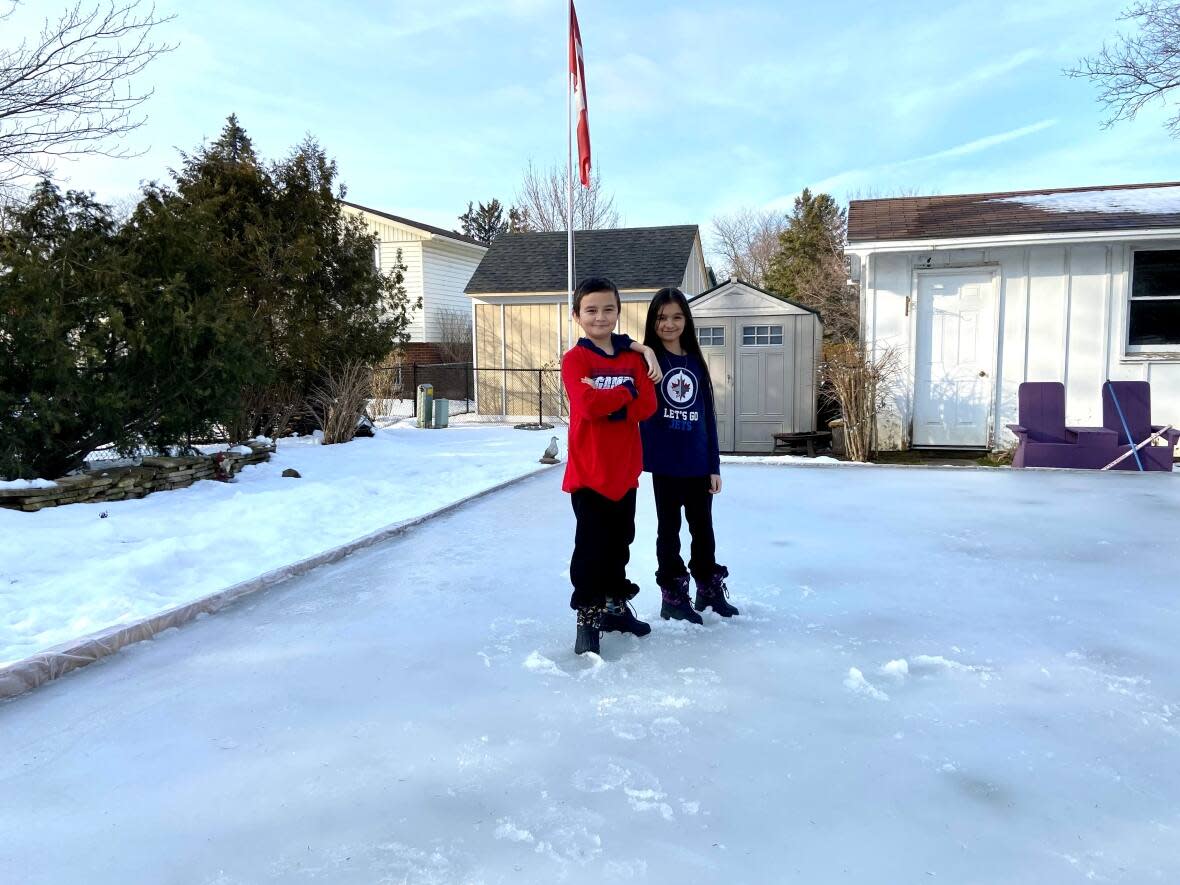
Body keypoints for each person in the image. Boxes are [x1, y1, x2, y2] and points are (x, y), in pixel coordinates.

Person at [561, 277, 658, 655]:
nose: (600, 317)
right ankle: (588, 616)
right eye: (591, 310)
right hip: (589, 472)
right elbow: (586, 406)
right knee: (590, 549)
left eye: (608, 309)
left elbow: (646, 406)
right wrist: (626, 392)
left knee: (620, 544)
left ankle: (614, 608)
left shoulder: (633, 358)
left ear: (618, 312)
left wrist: (609, 398)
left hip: (624, 472)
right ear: (577, 316)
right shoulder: (575, 360)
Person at [640, 287, 739, 624]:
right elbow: (620, 342)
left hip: (698, 463)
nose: (669, 324)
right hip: (665, 464)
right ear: (653, 321)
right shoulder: (647, 360)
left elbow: (707, 415)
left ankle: (708, 590)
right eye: (661, 317)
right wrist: (643, 349)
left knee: (703, 530)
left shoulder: (695, 361)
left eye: (677, 317)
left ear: (687, 320)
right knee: (668, 532)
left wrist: (714, 464)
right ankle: (673, 596)